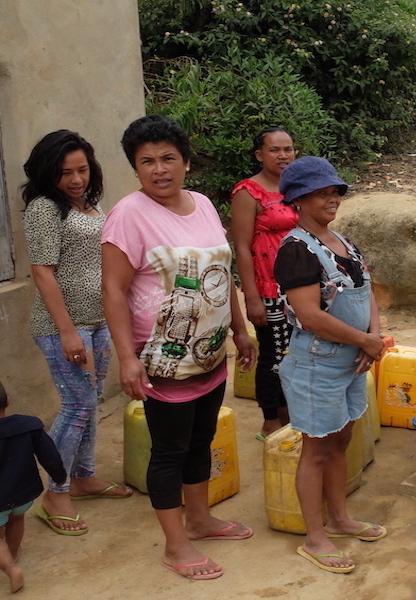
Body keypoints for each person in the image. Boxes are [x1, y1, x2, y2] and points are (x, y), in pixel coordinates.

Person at [102, 115, 257, 581]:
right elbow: (113, 291)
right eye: (146, 161)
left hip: (209, 354)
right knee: (169, 450)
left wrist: (240, 328)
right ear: (135, 169)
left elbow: (223, 271)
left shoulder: (206, 205)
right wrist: (127, 358)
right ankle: (175, 545)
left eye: (168, 158)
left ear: (186, 162)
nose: (159, 169)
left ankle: (201, 518)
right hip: (162, 360)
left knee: (201, 440)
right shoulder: (128, 215)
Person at [274, 157, 387, 575]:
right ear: (298, 199)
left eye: (335, 191)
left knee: (341, 440)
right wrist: (365, 340)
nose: (332, 198)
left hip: (353, 361)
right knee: (317, 449)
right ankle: (315, 536)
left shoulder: (342, 242)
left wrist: (374, 339)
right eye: (322, 192)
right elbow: (310, 316)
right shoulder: (296, 250)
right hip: (317, 363)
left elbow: (366, 292)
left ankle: (340, 519)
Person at [21, 130, 132, 537]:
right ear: (48, 173)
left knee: (91, 401)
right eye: (65, 172)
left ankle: (84, 476)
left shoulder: (87, 203)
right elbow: (42, 272)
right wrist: (67, 331)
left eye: (82, 169)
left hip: (98, 321)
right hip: (62, 327)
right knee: (77, 405)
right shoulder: (44, 210)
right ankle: (56, 492)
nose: (75, 179)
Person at [231, 127, 299, 441]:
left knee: (297, 352)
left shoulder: (297, 186)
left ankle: (290, 413)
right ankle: (270, 420)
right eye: (275, 150)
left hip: (300, 288)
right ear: (260, 154)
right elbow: (242, 247)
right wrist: (252, 297)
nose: (283, 155)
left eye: (288, 149)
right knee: (274, 354)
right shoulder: (248, 191)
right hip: (268, 290)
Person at [0, 381, 67, 593]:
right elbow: (49, 454)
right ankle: (13, 552)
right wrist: (59, 476)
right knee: (17, 519)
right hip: (24, 493)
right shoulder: (28, 425)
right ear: (8, 400)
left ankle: (10, 568)